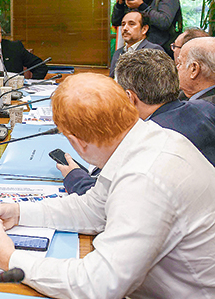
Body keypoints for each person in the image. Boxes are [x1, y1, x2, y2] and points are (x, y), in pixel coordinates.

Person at [0, 73, 215, 299]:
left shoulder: (144, 179)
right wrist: (20, 212)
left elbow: (98, 286)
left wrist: (11, 259)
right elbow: (94, 209)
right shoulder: (146, 139)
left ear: (77, 140)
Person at [62, 49, 215, 195]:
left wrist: (74, 177)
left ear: (129, 97)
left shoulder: (148, 138)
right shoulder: (205, 108)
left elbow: (108, 202)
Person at [112, 0, 182, 57]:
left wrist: (142, 6)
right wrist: (120, 4)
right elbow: (116, 21)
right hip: (138, 51)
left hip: (162, 53)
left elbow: (164, 21)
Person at [108, 10, 163, 77]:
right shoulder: (118, 52)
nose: (125, 28)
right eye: (123, 24)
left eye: (131, 24)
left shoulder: (153, 51)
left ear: (144, 29)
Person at [177, 36, 215, 104]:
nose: (177, 68)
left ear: (194, 69)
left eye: (180, 63)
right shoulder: (185, 95)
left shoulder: (200, 110)